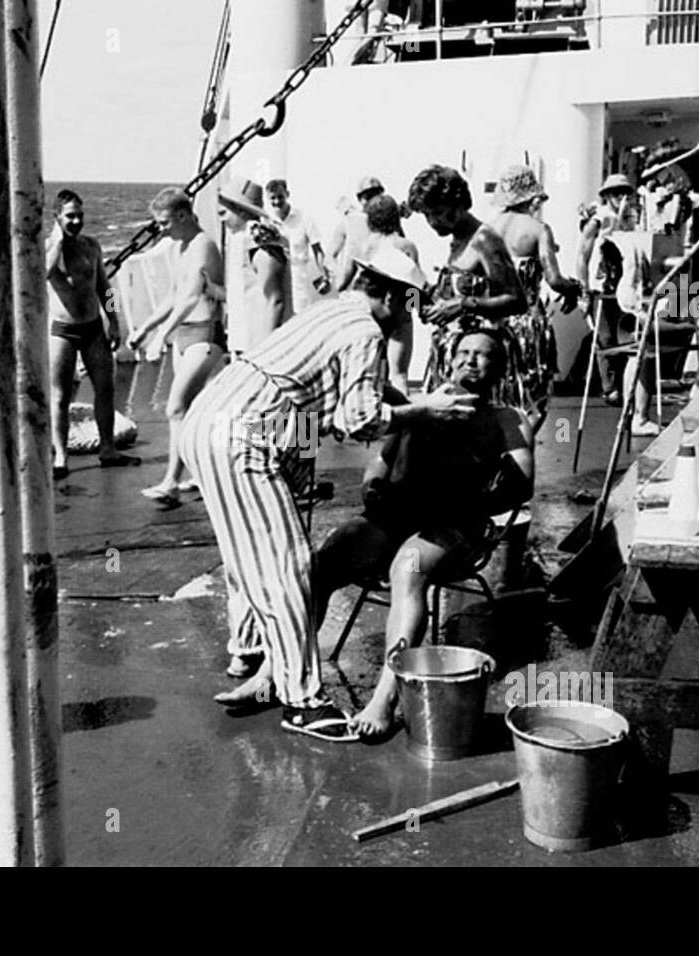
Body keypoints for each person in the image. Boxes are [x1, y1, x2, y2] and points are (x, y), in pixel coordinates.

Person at [178, 247, 481, 740]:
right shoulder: (364, 330)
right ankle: (302, 703)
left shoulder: (331, 311)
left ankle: (255, 659)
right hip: (243, 435)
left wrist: (415, 406)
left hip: (210, 418)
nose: (406, 318)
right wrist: (425, 412)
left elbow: (318, 389)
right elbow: (356, 420)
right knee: (288, 564)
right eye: (406, 305)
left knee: (247, 557)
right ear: (387, 292)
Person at [312, 328, 533, 737]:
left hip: (454, 527)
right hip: (394, 517)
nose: (471, 360)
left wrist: (470, 493)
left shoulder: (508, 418)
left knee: (408, 568)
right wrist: (372, 485)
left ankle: (384, 700)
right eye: (464, 351)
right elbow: (379, 460)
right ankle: (292, 671)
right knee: (323, 563)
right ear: (449, 360)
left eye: (483, 355)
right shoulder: (419, 403)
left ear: (498, 369)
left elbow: (522, 485)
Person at [127, 188, 227, 509]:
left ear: (183, 215)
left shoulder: (203, 246)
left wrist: (161, 337)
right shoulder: (178, 247)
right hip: (183, 336)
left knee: (175, 408)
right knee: (193, 411)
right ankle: (200, 473)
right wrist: (146, 327)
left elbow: (192, 297)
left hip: (204, 336)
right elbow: (173, 294)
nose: (161, 229)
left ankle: (170, 482)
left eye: (165, 222)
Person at [406, 164, 527, 408]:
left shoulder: (484, 239)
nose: (432, 221)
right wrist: (420, 298)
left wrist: (463, 305)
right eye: (427, 215)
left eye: (437, 213)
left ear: (458, 205)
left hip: (478, 363)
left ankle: (560, 435)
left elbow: (516, 299)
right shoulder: (457, 240)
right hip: (454, 359)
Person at [46, 188, 140, 479]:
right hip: (61, 331)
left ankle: (108, 449)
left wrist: (114, 321)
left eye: (80, 215)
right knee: (60, 396)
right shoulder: (47, 248)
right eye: (70, 216)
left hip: (92, 328)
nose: (76, 221)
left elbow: (104, 288)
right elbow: (43, 274)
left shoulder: (92, 246)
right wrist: (58, 241)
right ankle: (61, 456)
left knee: (105, 388)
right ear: (57, 217)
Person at [488, 165, 582, 432]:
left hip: (494, 321)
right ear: (530, 198)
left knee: (498, 393)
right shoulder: (539, 229)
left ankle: (498, 452)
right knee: (534, 396)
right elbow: (554, 279)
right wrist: (573, 288)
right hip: (528, 322)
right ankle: (520, 449)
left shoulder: (486, 229)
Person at [336, 194, 420, 395]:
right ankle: (403, 420)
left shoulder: (362, 245)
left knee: (364, 373)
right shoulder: (407, 246)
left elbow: (341, 283)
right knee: (399, 375)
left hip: (369, 313)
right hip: (398, 311)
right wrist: (409, 314)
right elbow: (414, 287)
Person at [577, 173, 637, 406]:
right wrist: (583, 289)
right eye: (616, 193)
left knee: (624, 335)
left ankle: (621, 385)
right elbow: (582, 255)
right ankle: (609, 388)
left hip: (622, 286)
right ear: (606, 196)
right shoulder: (599, 219)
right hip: (600, 287)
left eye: (625, 193)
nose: (621, 197)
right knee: (605, 337)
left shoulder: (627, 220)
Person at [218, 179, 292, 354]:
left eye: (224, 213)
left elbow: (275, 300)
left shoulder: (261, 243)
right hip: (245, 343)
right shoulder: (242, 240)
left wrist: (265, 351)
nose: (222, 220)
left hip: (260, 347)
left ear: (241, 211)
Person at [264, 179, 331, 311]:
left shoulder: (304, 218)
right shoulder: (267, 221)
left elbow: (317, 250)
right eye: (273, 198)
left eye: (280, 197)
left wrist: (324, 275)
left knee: (299, 318)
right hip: (277, 279)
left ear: (287, 194)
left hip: (299, 281)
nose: (277, 202)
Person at [328, 175, 385, 281]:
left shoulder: (389, 223)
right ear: (359, 199)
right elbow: (329, 258)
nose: (373, 201)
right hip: (355, 287)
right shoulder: (348, 223)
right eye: (368, 197)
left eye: (377, 196)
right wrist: (341, 274)